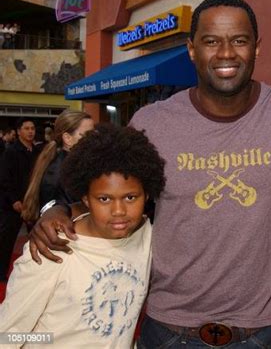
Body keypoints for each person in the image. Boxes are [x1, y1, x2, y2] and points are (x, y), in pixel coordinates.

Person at [30, 0, 271, 348]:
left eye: (239, 40)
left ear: (256, 48)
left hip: (263, 331)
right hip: (170, 330)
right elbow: (102, 190)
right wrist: (56, 210)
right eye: (212, 41)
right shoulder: (153, 122)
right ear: (191, 49)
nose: (226, 53)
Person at [0, 124, 166, 348]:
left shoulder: (146, 236)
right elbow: (7, 335)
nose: (119, 211)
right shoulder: (50, 249)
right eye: (104, 199)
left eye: (130, 198)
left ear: (146, 195)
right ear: (85, 199)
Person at [21, 110, 94, 225]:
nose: (93, 140)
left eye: (94, 134)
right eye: (87, 135)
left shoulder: (66, 164)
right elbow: (75, 214)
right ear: (67, 138)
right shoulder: (67, 171)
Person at [0, 118, 40, 281]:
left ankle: (36, 272)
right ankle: (1, 274)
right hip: (12, 205)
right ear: (18, 131)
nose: (31, 131)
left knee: (37, 238)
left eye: (32, 128)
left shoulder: (37, 152)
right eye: (26, 128)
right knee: (6, 241)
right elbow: (4, 179)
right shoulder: (11, 152)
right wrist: (14, 200)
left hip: (33, 203)